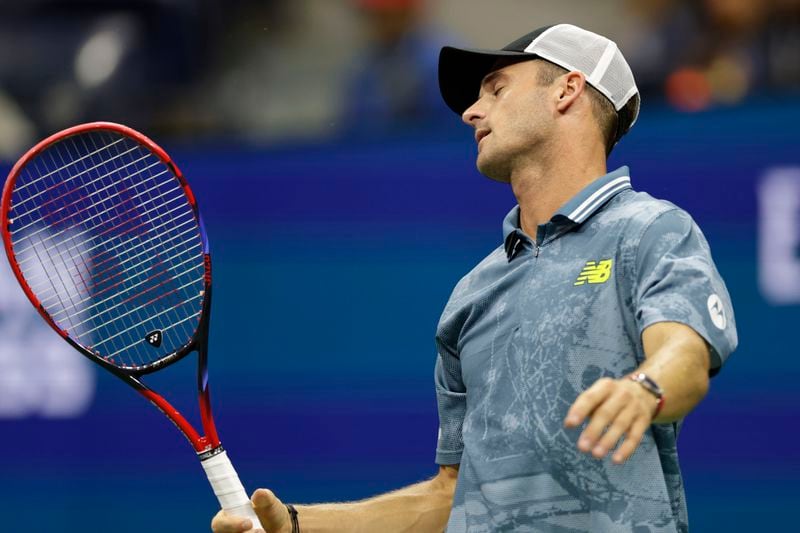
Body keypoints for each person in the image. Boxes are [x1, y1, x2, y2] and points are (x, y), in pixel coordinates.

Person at [212, 23, 738, 533]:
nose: (471, 111)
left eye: (496, 88)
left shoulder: (650, 230)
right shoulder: (473, 292)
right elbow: (454, 495)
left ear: (567, 90)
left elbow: (686, 358)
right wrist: (300, 524)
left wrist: (644, 388)